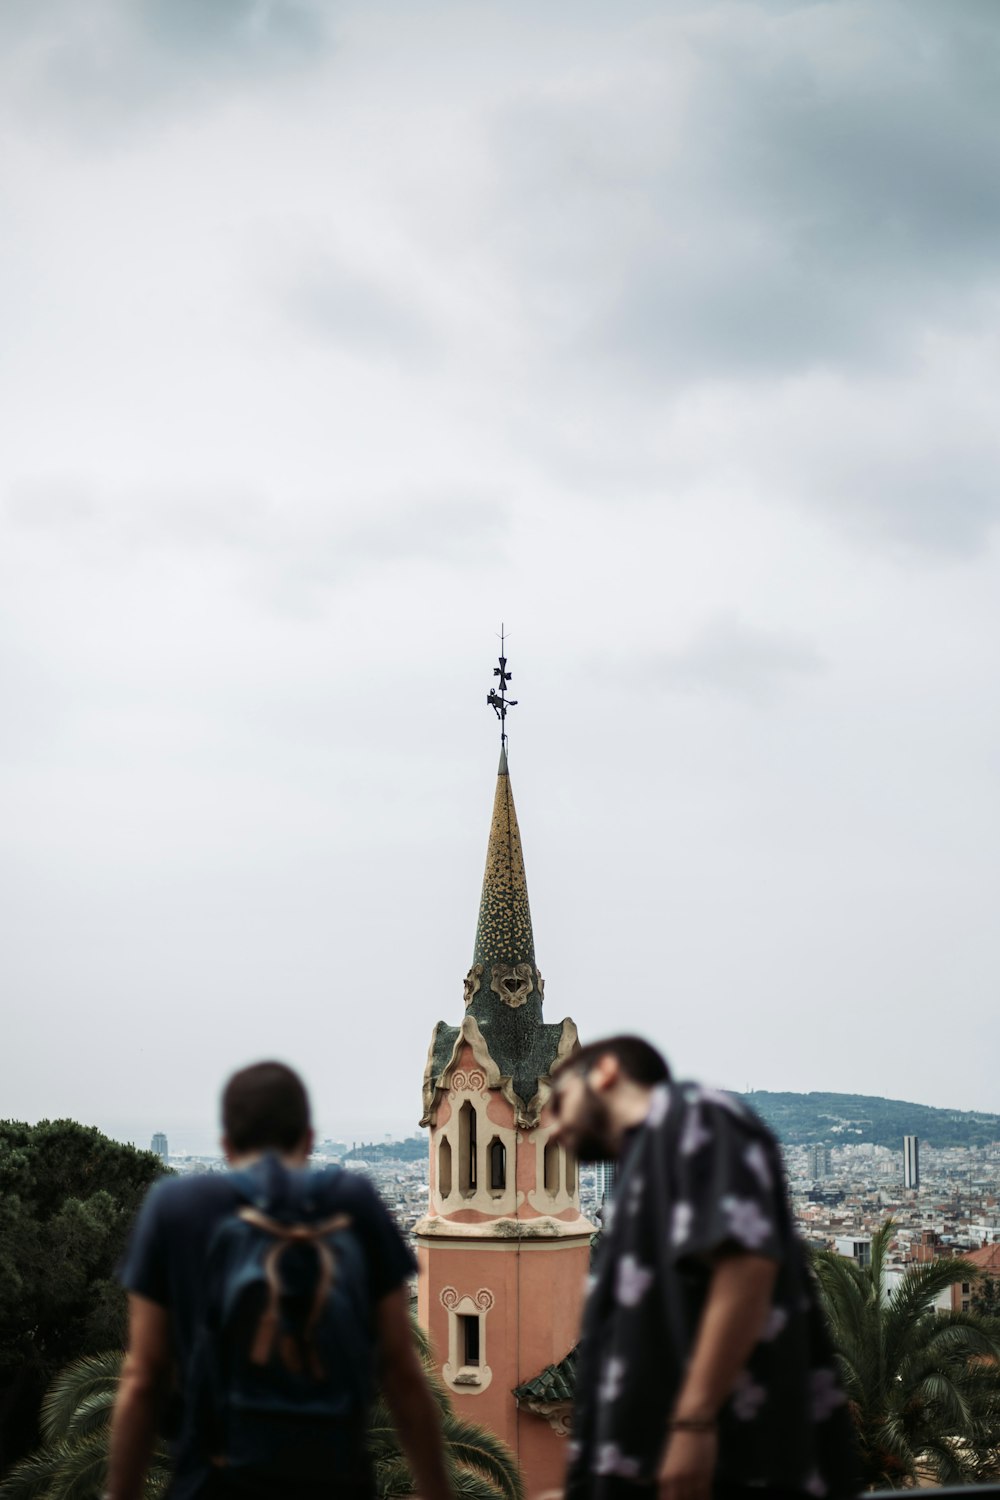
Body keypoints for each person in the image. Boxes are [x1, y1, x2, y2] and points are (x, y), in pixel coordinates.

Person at [109, 1061, 453, 1500]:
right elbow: (400, 1371)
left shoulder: (175, 1207)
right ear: (309, 1141)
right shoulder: (353, 1201)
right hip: (334, 1482)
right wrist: (437, 1491)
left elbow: (144, 1375)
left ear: (226, 1146)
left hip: (213, 1483)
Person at [549, 1037, 859, 1500]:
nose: (550, 1128)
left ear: (606, 1072)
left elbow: (745, 1264)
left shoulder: (694, 1114)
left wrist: (693, 1424)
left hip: (732, 1470)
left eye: (557, 1102)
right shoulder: (642, 1167)